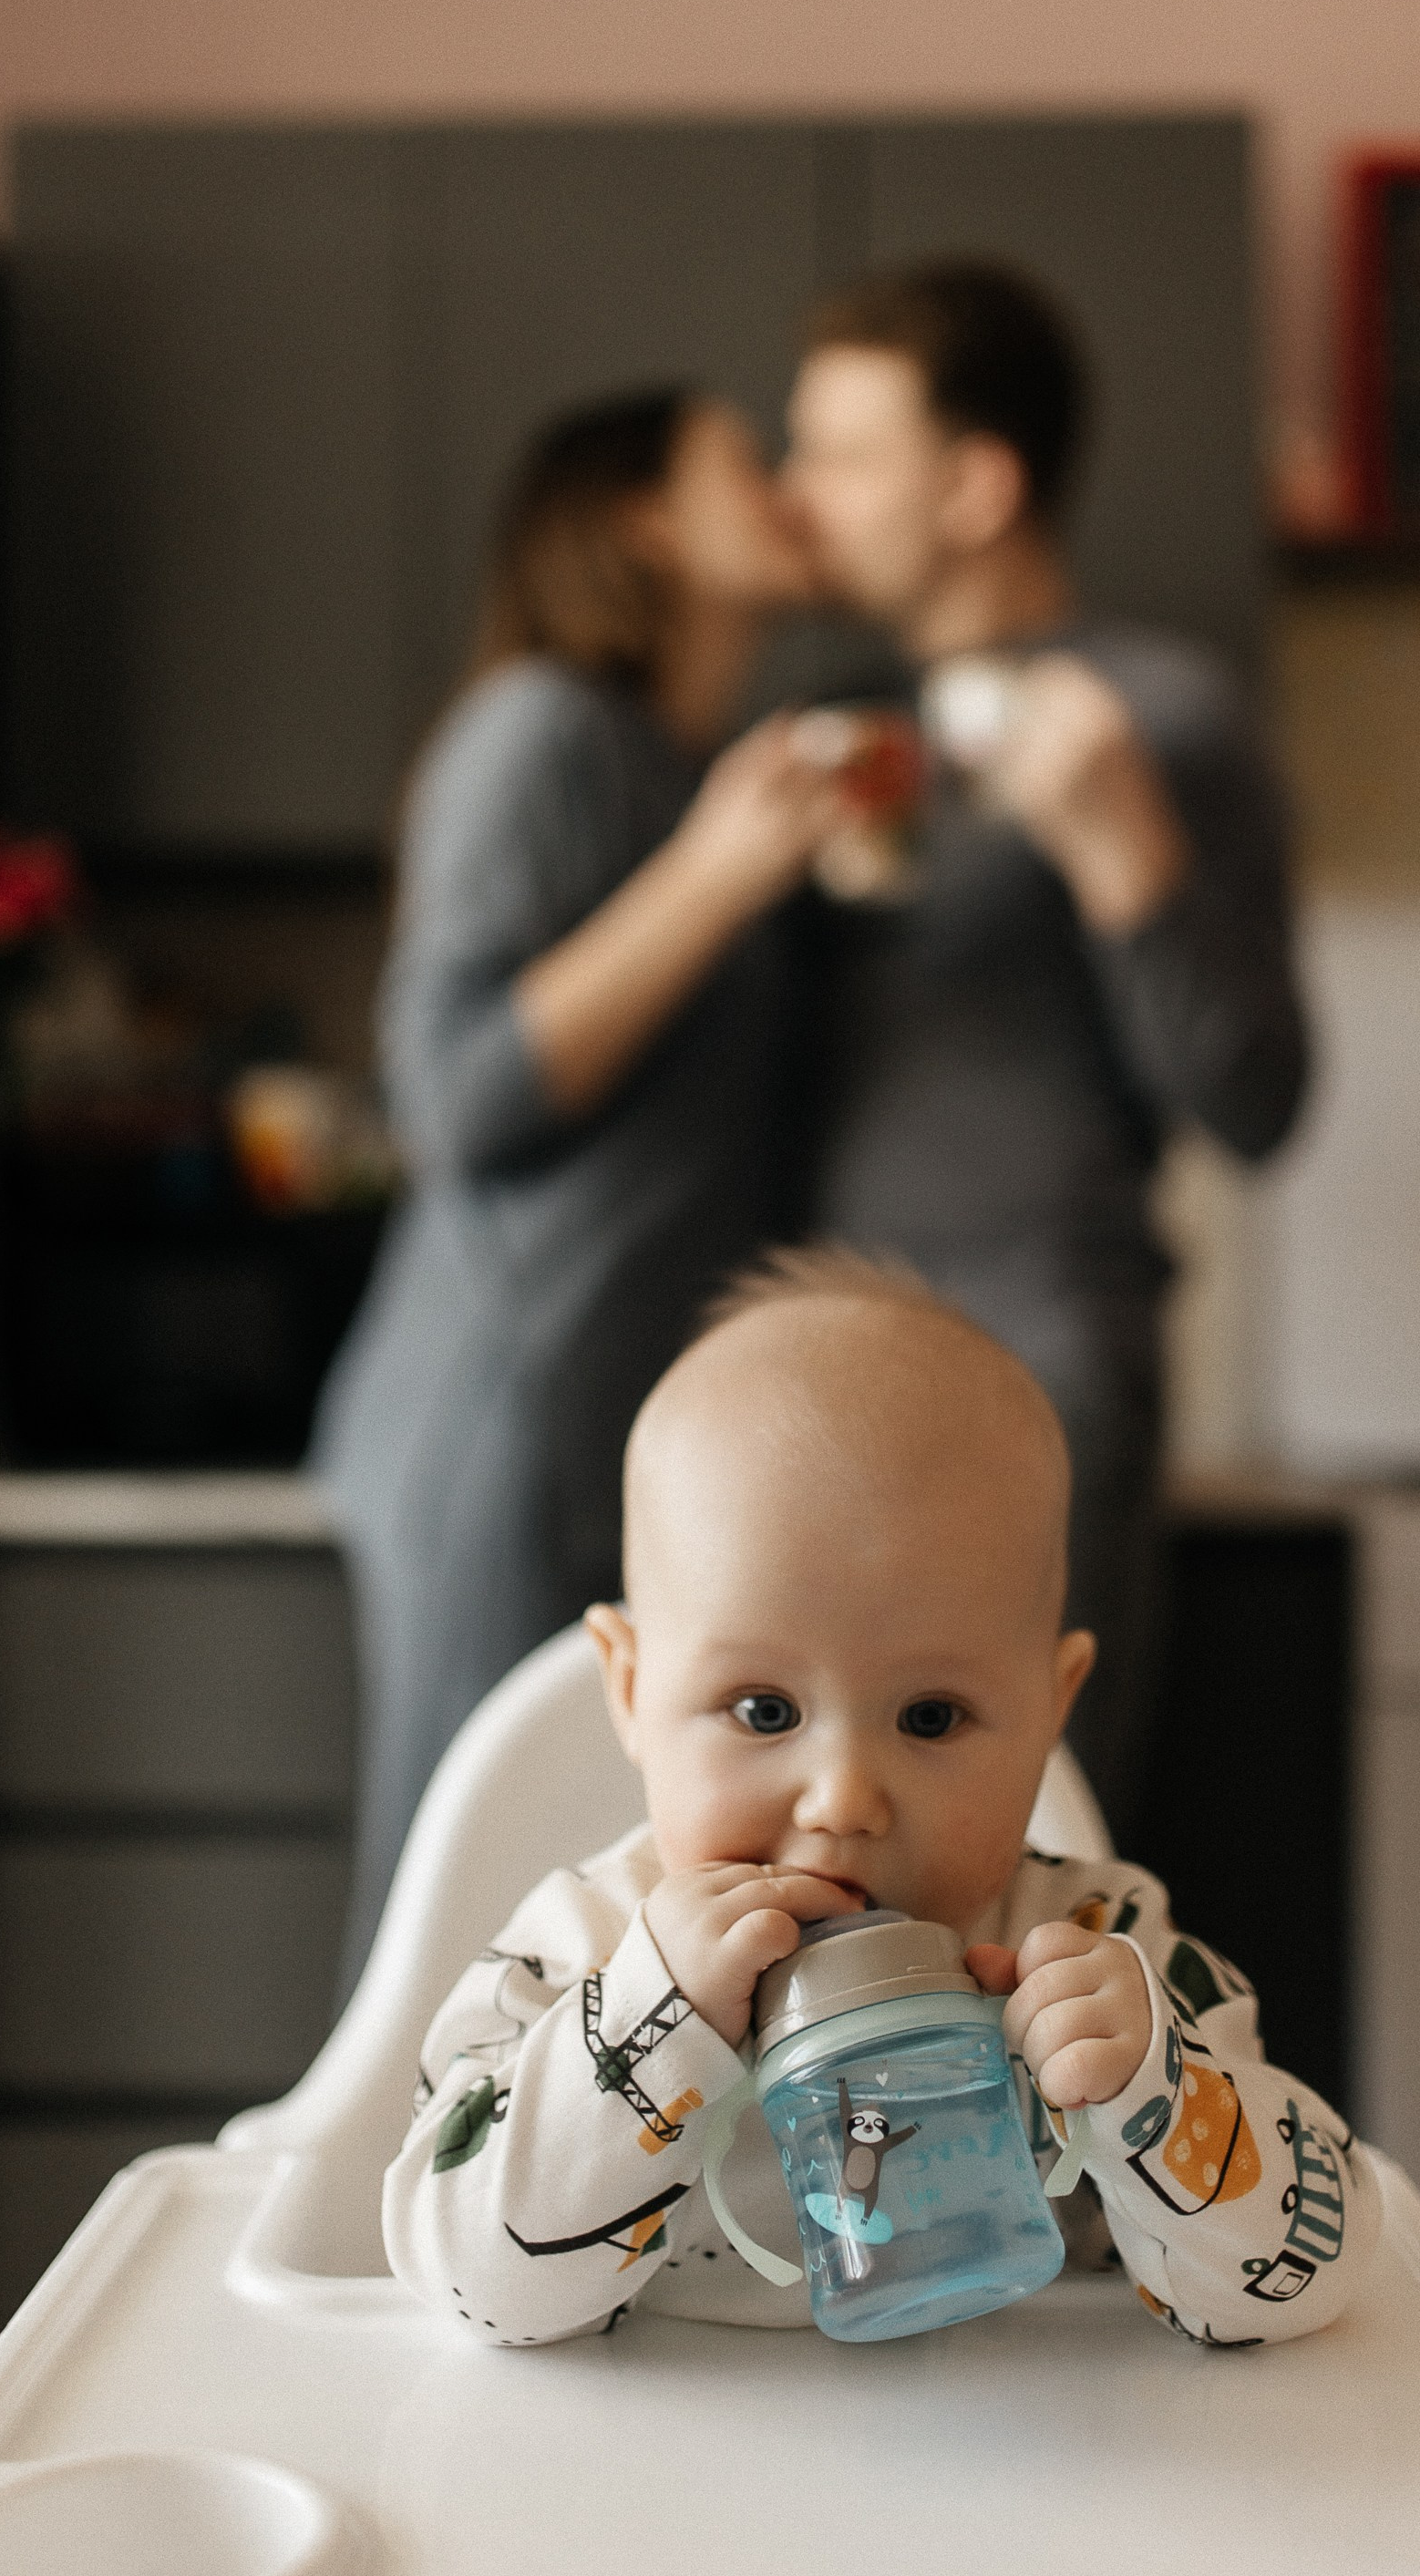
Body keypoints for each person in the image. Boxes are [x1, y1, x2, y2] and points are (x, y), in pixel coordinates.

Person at [383, 1251, 1375, 2347]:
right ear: (629, 1688)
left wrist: (1152, 2089)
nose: (843, 1800)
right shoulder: (575, 1956)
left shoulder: (1106, 1949)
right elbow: (464, 2282)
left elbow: (1309, 2268)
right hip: (675, 2487)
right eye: (762, 1711)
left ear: (1050, 1712)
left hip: (1036, 2476)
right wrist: (649, 2025)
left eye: (930, 1718)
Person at [314, 389, 847, 1991]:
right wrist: (721, 871)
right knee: (456, 1941)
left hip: (602, 1431)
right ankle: (383, 2249)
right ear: (643, 522)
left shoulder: (679, 761)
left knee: (581, 1945)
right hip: (500, 1423)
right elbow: (452, 1094)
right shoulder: (541, 729)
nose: (788, 488)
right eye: (744, 464)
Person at [780, 260, 1311, 1843]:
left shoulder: (1161, 718)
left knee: (1028, 1863)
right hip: (810, 1367)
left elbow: (1259, 1100)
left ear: (977, 483)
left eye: (844, 454)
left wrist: (1133, 860)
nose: (803, 498)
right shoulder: (824, 726)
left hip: (1046, 1356)